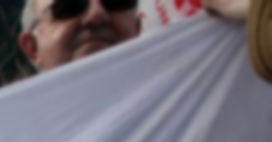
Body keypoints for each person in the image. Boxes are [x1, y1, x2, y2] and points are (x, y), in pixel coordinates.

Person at [18, 0, 249, 72]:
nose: (97, 15)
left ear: (137, 29)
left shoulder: (203, 95)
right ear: (32, 47)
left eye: (117, 1)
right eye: (70, 6)